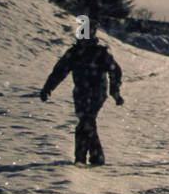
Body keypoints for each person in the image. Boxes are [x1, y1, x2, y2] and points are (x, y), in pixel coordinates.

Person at [40, 35, 124, 166]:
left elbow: (115, 71)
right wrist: (48, 88)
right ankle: (91, 158)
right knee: (86, 122)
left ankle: (85, 158)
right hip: (80, 94)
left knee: (86, 121)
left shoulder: (100, 53)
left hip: (97, 93)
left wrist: (115, 91)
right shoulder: (74, 53)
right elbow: (59, 71)